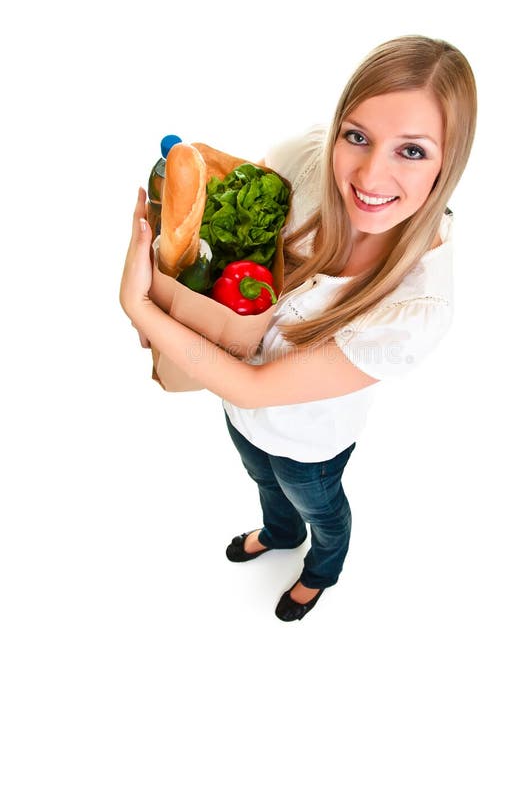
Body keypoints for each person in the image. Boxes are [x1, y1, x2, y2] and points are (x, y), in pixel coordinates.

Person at [120, 35, 477, 622]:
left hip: (312, 445)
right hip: (238, 411)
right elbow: (227, 243)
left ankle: (323, 567)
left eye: (412, 151)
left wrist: (141, 307)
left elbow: (256, 387)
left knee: (320, 507)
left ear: (450, 161)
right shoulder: (304, 160)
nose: (371, 173)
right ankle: (279, 534)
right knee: (260, 477)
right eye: (357, 136)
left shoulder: (418, 307)